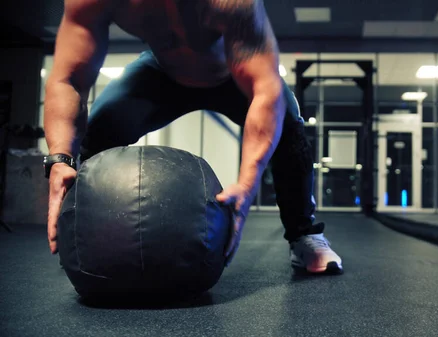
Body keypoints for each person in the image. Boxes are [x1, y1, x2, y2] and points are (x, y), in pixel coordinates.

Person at [43, 0, 342, 274]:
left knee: (288, 128)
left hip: (231, 77)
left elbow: (265, 89)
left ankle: (304, 235)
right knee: (96, 134)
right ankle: (86, 236)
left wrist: (247, 184)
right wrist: (59, 158)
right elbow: (67, 78)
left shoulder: (232, 2)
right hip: (161, 74)